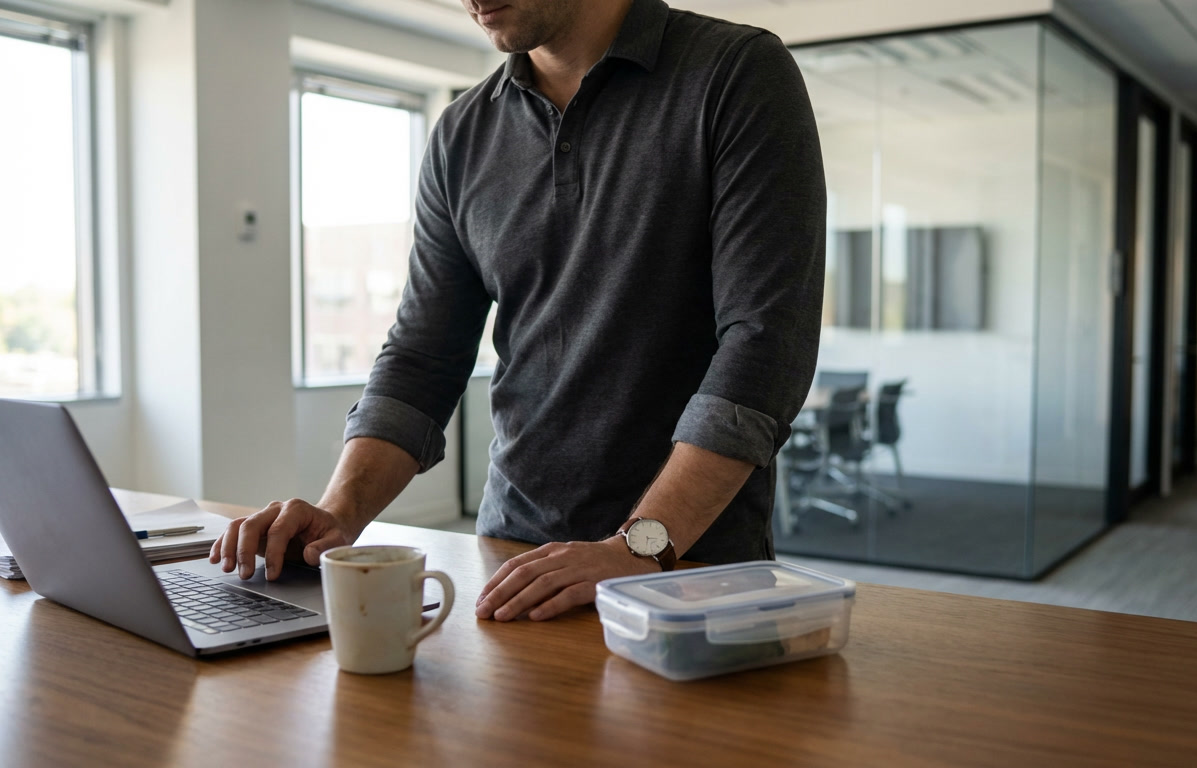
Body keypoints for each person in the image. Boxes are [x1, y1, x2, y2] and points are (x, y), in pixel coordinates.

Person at [209, 0, 825, 622]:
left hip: (684, 563)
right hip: (513, 559)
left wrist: (639, 548)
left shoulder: (735, 72)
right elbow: (422, 356)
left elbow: (765, 344)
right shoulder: (462, 133)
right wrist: (337, 516)